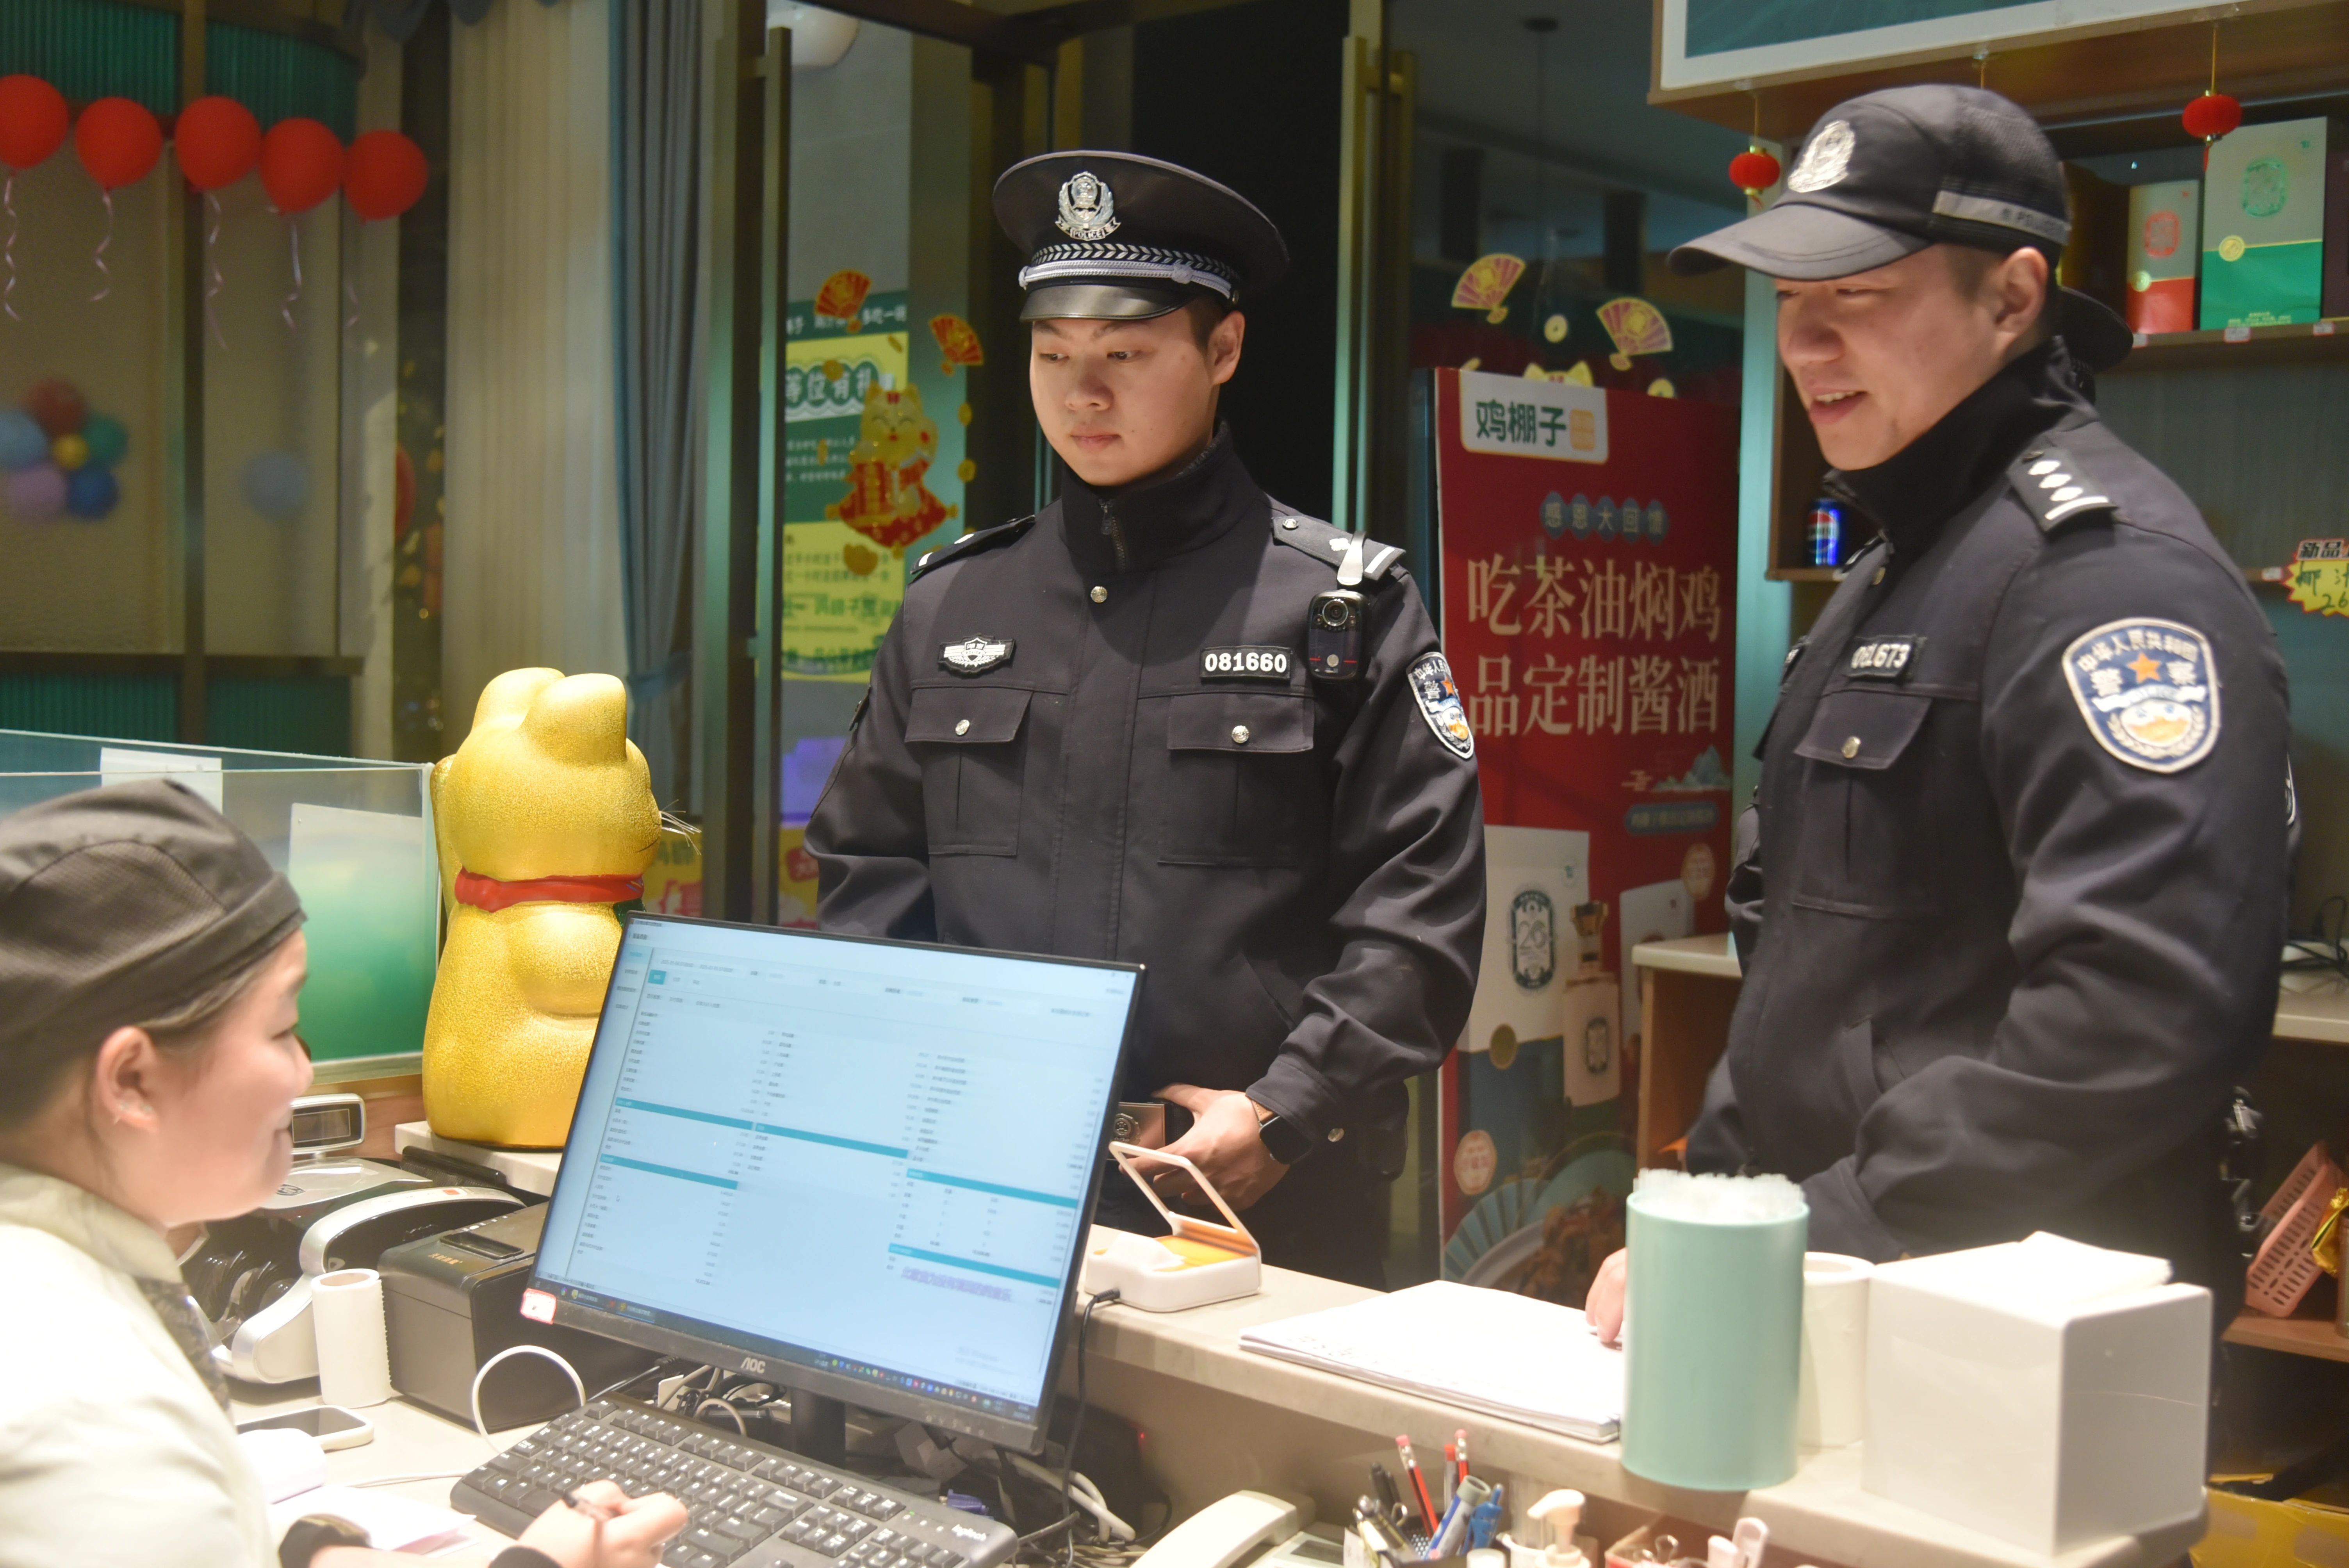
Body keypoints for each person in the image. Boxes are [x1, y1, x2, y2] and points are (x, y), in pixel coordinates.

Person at [1586, 86, 2291, 1340]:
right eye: (1790, 303)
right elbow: (1804, 971)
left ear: (2011, 299)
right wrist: (1721, 1208)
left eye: (1857, 297)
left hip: (2007, 1320)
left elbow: (2138, 1010)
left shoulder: (2103, 575)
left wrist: (1831, 1227)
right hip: (1833, 1280)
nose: (1807, 346)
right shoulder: (1898, 566)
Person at [807, 151, 1486, 1286]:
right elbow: (867, 871)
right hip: (981, 1179)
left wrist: (1286, 1110)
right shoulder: (954, 603)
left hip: (1262, 1199)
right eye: (1053, 353)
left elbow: (1418, 918)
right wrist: (913, 1076)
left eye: (1123, 354)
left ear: (1223, 350)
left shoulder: (1339, 608)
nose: (1083, 393)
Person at [0, 780, 689, 1568]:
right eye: (282, 1030)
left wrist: (316, 1554)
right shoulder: (86, 1402)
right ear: (131, 1081)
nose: (303, 1073)